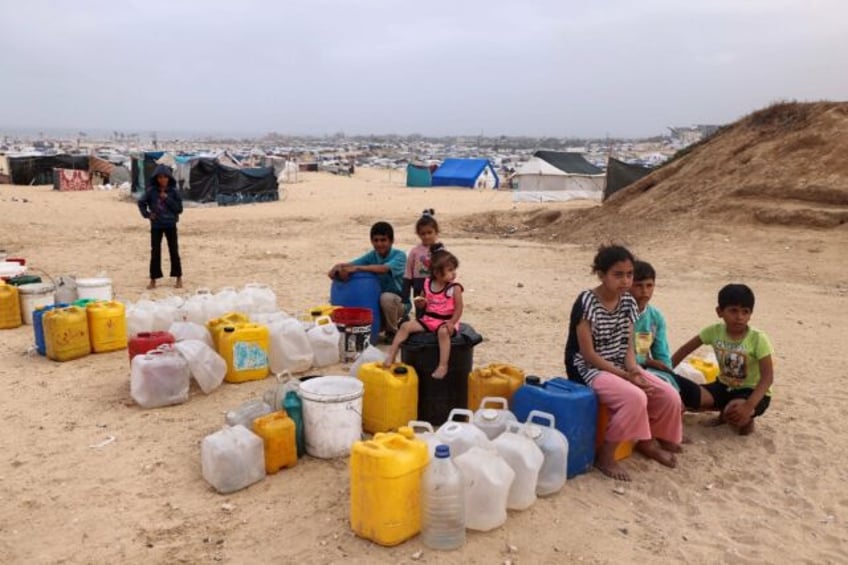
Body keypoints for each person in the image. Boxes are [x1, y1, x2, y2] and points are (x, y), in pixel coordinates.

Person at [564, 245, 683, 481]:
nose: (625, 281)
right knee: (635, 397)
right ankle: (606, 455)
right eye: (618, 275)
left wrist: (633, 370)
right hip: (588, 369)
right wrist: (624, 375)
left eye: (629, 274)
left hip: (619, 364)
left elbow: (627, 346)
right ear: (601, 274)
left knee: (668, 394)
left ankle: (648, 441)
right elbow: (587, 354)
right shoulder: (587, 301)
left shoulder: (628, 302)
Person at [671, 284, 774, 435]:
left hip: (751, 391)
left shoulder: (758, 339)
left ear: (750, 314)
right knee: (686, 395)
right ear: (720, 312)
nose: (739, 317)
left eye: (745, 312)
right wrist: (666, 372)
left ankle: (745, 419)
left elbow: (767, 378)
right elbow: (683, 350)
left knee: (735, 412)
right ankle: (723, 410)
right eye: (733, 310)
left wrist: (749, 406)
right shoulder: (714, 331)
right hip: (723, 386)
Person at [630, 260, 703, 411]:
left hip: (650, 370)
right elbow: (618, 354)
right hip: (625, 369)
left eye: (649, 285)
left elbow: (662, 355)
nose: (644, 291)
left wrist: (670, 380)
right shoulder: (620, 314)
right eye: (639, 285)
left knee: (692, 394)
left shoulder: (656, 317)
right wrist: (647, 361)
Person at [384, 249, 463, 379]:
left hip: (446, 321)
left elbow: (459, 308)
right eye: (450, 270)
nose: (453, 273)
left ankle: (443, 365)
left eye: (454, 269)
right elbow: (423, 300)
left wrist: (452, 322)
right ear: (437, 273)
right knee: (405, 326)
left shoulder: (454, 288)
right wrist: (421, 303)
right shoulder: (427, 283)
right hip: (429, 319)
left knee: (442, 333)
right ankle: (392, 354)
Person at [327, 221, 407, 342]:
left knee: (386, 298)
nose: (379, 244)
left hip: (398, 304)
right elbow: (351, 264)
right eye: (376, 240)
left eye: (383, 240)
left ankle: (392, 332)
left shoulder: (400, 256)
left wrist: (358, 268)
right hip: (378, 305)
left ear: (391, 241)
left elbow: (384, 269)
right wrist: (337, 267)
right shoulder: (372, 256)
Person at [137, 164, 183, 289]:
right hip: (156, 226)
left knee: (174, 251)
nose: (163, 180)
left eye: (165, 177)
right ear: (156, 179)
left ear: (169, 178)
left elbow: (179, 209)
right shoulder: (151, 191)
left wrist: (167, 198)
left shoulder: (173, 192)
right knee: (155, 252)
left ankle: (178, 278)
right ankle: (153, 279)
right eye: (160, 177)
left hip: (170, 224)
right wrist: (147, 214)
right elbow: (141, 202)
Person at [402, 209, 443, 309]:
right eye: (423, 233)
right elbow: (408, 272)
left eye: (429, 232)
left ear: (436, 232)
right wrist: (405, 294)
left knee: (436, 310)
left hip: (436, 286)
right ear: (418, 234)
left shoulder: (440, 251)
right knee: (420, 313)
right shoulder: (415, 251)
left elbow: (446, 270)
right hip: (419, 286)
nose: (426, 236)